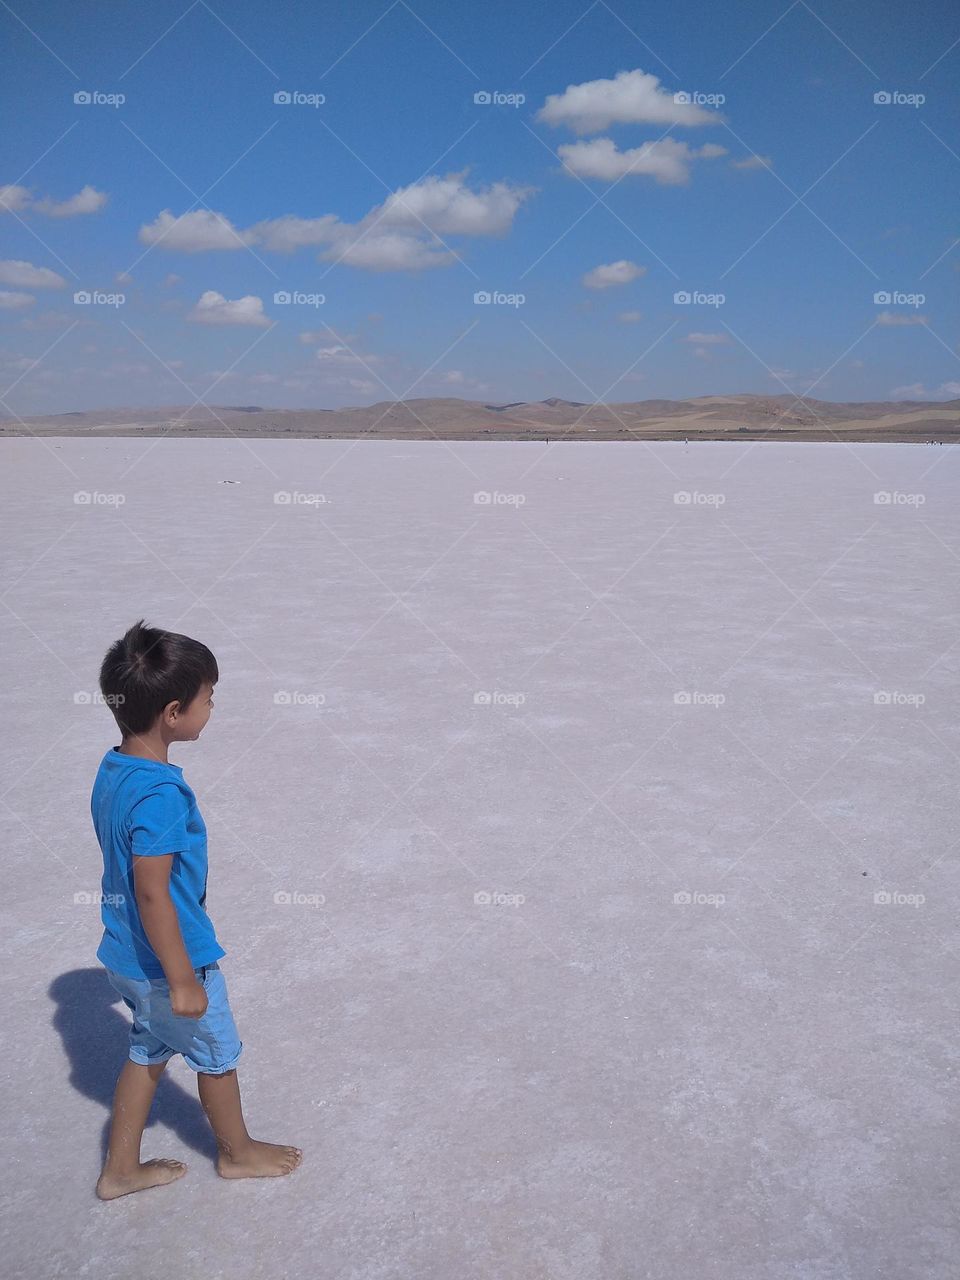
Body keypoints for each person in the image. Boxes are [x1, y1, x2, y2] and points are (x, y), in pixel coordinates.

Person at [90, 620, 302, 1199]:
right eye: (211, 697)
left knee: (148, 1050)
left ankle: (120, 1169)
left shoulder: (116, 771)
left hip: (125, 954)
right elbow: (153, 890)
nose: (215, 707)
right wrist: (183, 978)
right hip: (172, 960)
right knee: (217, 1056)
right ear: (174, 712)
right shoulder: (159, 795)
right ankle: (238, 1154)